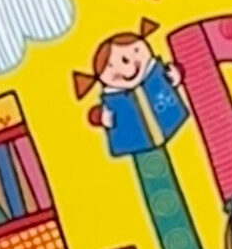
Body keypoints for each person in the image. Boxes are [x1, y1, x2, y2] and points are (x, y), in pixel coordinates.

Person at [74, 20, 189, 156]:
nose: (128, 68)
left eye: (136, 50)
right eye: (111, 66)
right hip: (137, 144)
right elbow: (93, 115)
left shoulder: (155, 73)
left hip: (175, 126)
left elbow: (178, 72)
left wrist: (176, 74)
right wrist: (101, 116)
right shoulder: (113, 98)